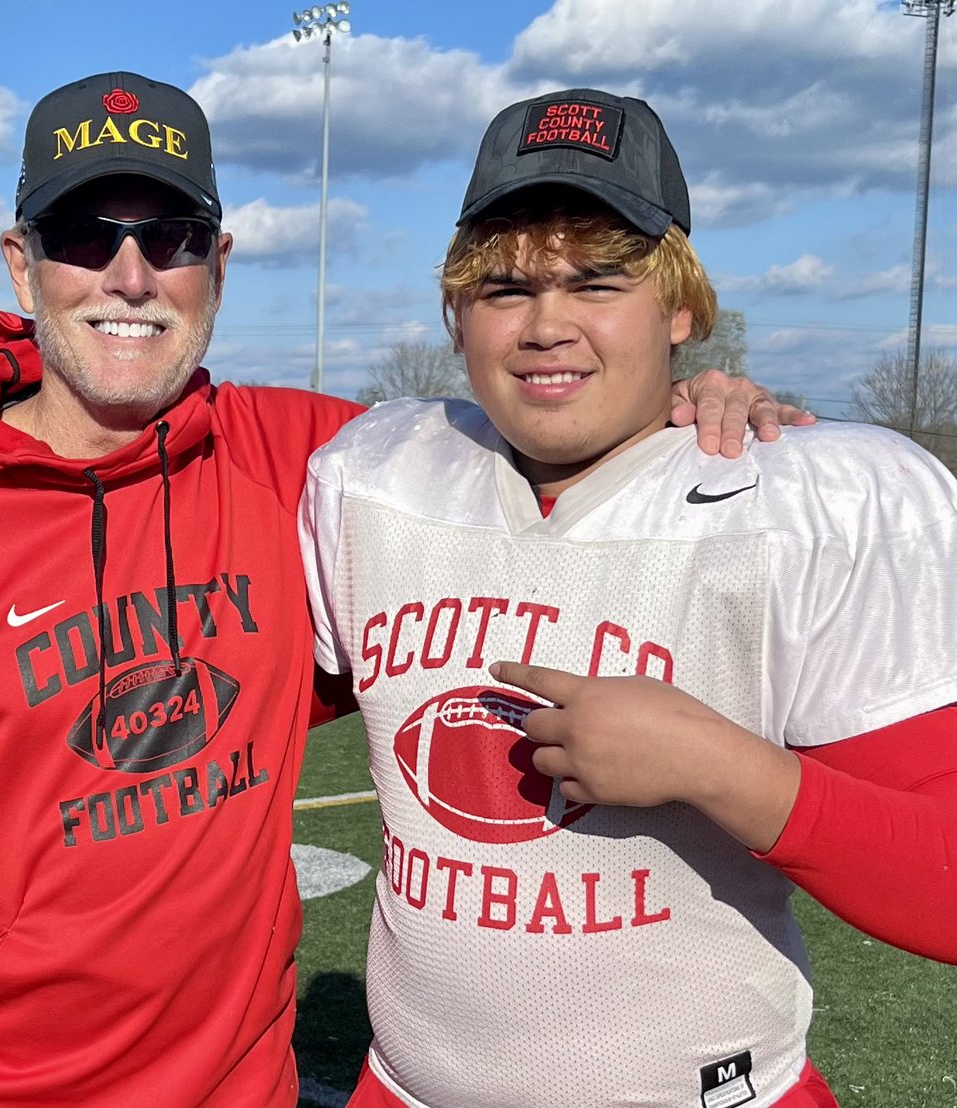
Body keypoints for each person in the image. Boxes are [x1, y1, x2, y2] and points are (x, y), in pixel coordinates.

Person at [0, 71, 806, 1106]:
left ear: (216, 266)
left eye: (171, 237)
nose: (131, 276)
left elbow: (538, 427)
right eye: (84, 235)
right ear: (22, 267)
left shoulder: (306, 459)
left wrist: (681, 406)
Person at [299, 87, 957, 1108]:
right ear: (458, 316)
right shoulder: (372, 471)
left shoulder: (813, 498)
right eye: (505, 288)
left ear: (681, 308)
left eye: (597, 282)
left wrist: (719, 766)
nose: (546, 326)